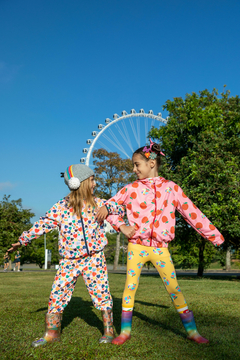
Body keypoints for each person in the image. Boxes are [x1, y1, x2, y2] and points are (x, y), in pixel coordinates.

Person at [96, 139, 225, 345]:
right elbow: (107, 208)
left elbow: (193, 213)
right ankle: (125, 332)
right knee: (130, 287)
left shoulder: (172, 188)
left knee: (174, 288)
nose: (134, 169)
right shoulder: (130, 189)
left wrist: (215, 236)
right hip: (136, 247)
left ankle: (192, 332)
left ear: (152, 163)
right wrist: (122, 226)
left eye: (137, 164)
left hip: (160, 249)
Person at [8, 164, 124, 347]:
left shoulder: (99, 203)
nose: (95, 183)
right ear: (80, 182)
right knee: (57, 293)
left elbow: (121, 209)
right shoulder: (61, 207)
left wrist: (109, 209)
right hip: (68, 261)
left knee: (101, 293)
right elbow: (43, 224)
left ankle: (108, 331)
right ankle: (51, 333)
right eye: (92, 179)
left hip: (93, 258)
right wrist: (23, 240)